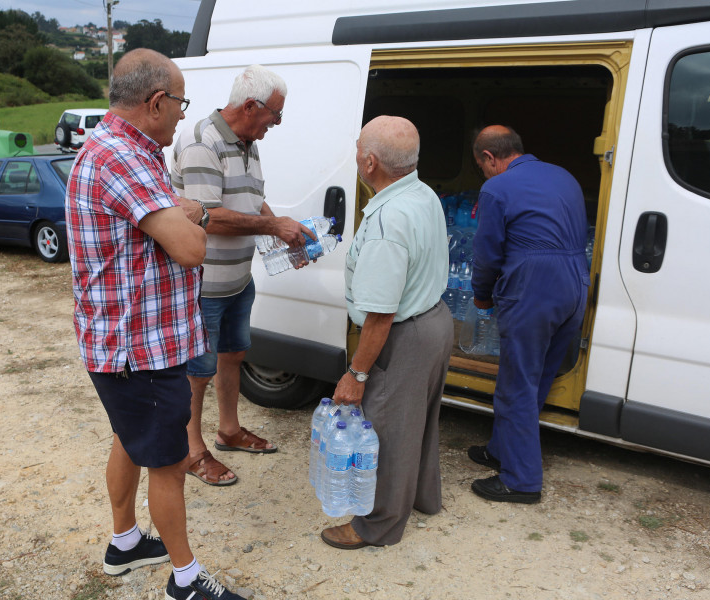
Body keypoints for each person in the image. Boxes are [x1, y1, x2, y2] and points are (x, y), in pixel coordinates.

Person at [65, 48, 245, 600]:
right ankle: (186, 581)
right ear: (157, 102)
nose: (182, 115)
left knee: (130, 438)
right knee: (168, 461)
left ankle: (125, 542)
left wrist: (178, 208)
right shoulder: (124, 156)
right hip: (139, 349)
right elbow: (192, 249)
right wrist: (192, 215)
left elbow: (161, 220)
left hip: (125, 343)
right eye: (180, 103)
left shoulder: (115, 149)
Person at [171, 64, 314, 486]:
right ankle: (192, 451)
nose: (277, 123)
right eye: (275, 114)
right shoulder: (203, 143)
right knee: (198, 371)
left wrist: (286, 235)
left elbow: (254, 202)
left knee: (232, 355)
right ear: (251, 106)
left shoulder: (248, 142)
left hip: (237, 280)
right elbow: (205, 219)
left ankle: (229, 431)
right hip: (205, 284)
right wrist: (274, 227)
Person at [320, 115, 456, 549]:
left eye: (359, 147)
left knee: (387, 428)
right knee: (419, 419)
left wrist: (356, 374)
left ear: (370, 162)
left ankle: (377, 524)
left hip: (405, 333)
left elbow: (380, 314)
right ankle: (421, 498)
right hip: (434, 321)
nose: (356, 152)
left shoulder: (386, 220)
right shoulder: (421, 192)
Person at [467, 125, 590, 504]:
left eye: (482, 166)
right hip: (575, 284)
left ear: (489, 158)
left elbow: (488, 253)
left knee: (517, 382)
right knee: (536, 380)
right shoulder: (563, 176)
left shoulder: (496, 188)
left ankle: (521, 481)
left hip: (533, 285)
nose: (484, 174)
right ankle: (503, 450)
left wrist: (482, 294)